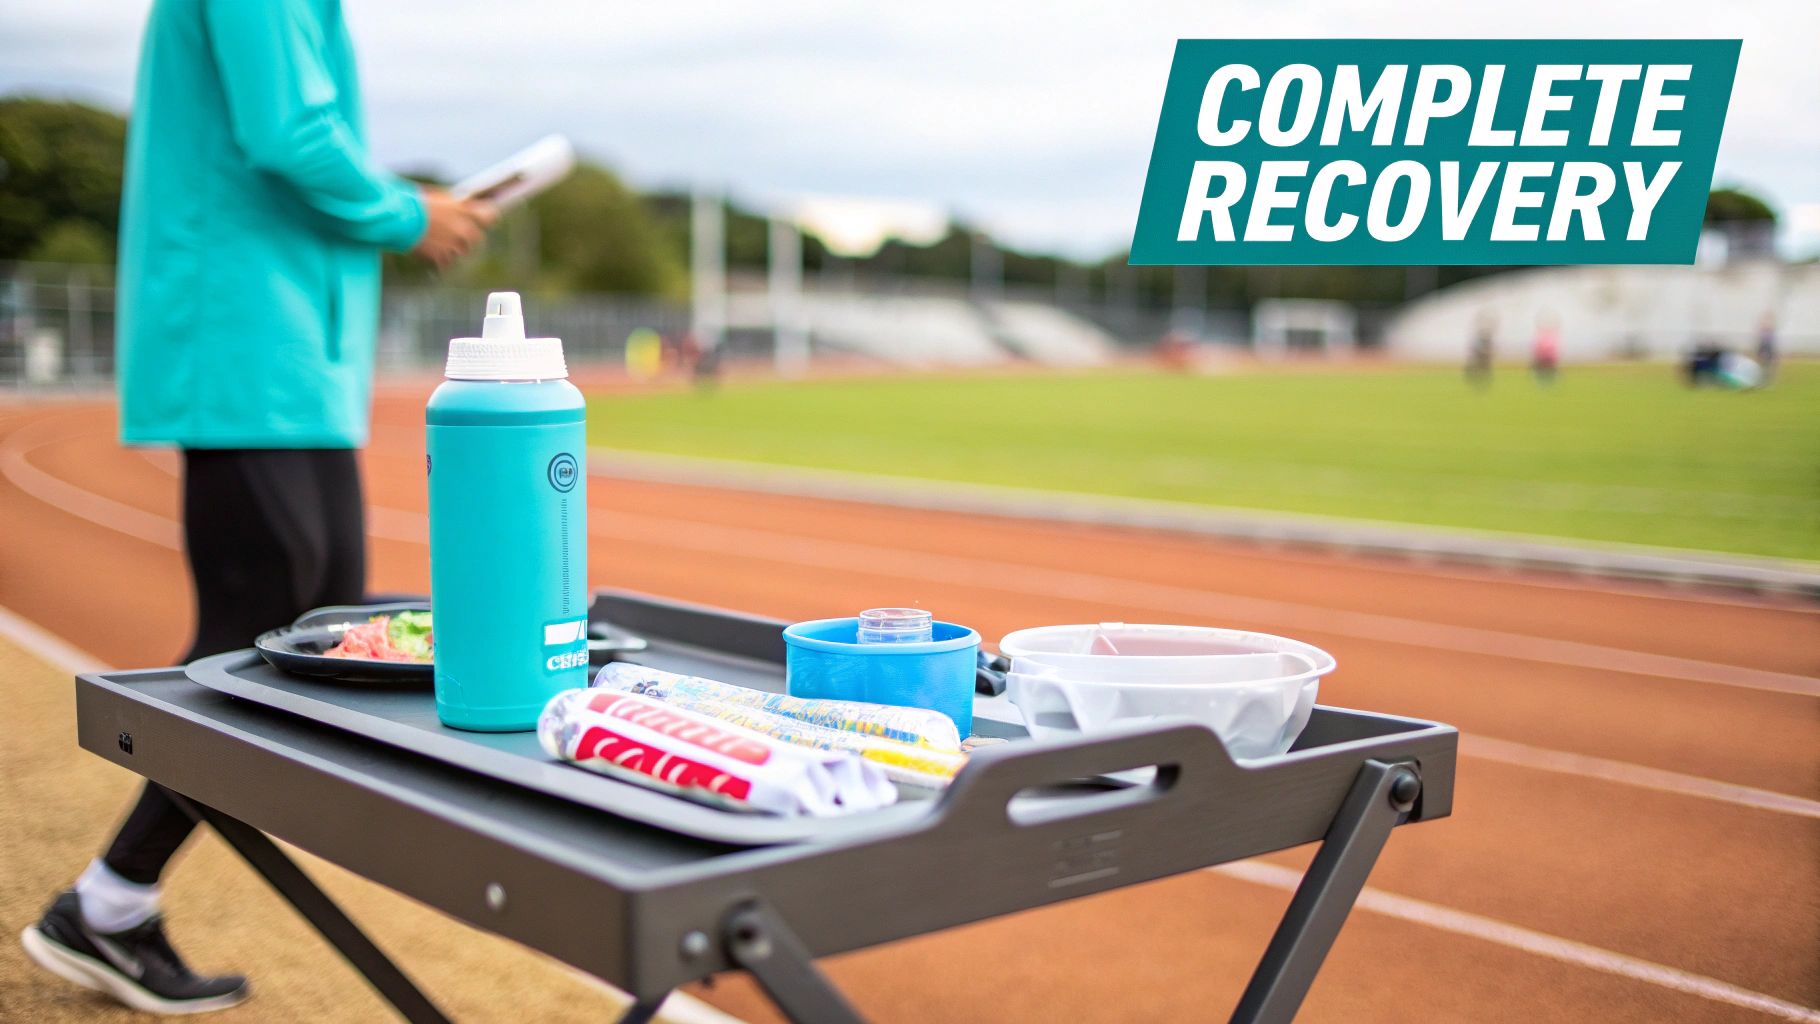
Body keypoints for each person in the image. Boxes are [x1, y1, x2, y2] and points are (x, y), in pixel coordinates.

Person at [19, 0, 494, 1013]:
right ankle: (106, 902)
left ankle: (110, 898)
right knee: (260, 635)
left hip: (292, 345)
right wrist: (414, 214)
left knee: (315, 619)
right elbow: (288, 133)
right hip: (244, 337)